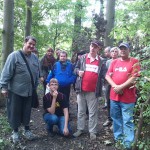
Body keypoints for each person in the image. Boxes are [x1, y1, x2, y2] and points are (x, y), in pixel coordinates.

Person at [0, 36, 40, 143]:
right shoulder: (14, 56)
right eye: (30, 43)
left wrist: (36, 85)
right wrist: (3, 87)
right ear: (25, 42)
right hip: (15, 90)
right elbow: (6, 72)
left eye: (33, 45)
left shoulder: (35, 58)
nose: (31, 46)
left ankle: (27, 130)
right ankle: (15, 132)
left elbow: (37, 73)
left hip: (29, 91)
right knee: (15, 112)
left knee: (27, 112)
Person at [105, 42, 140, 149]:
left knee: (128, 120)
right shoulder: (114, 62)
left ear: (129, 50)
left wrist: (121, 87)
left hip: (128, 98)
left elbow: (134, 77)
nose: (123, 50)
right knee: (116, 119)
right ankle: (119, 140)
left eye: (125, 48)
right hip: (114, 96)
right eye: (121, 49)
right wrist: (115, 86)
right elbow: (107, 76)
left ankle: (128, 144)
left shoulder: (134, 61)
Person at [73, 40, 106, 140]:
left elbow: (104, 74)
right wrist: (78, 72)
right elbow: (75, 69)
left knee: (92, 112)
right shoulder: (83, 58)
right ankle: (80, 129)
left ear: (98, 49)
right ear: (89, 46)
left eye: (95, 47)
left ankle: (92, 131)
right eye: (92, 46)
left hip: (93, 91)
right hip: (81, 90)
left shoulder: (101, 61)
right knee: (81, 111)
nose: (93, 48)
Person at [103, 47, 119, 128]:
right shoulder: (108, 62)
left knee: (115, 103)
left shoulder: (120, 61)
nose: (114, 53)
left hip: (117, 85)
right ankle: (109, 119)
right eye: (112, 51)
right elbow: (105, 73)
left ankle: (115, 121)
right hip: (108, 85)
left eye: (116, 51)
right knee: (108, 102)